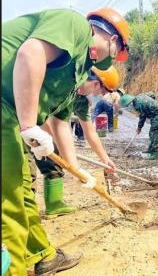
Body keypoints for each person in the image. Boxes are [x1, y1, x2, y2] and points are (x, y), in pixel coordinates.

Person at [2, 7, 129, 276]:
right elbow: (30, 53)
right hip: (5, 108)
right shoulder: (75, 26)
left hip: (10, 115)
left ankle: (42, 255)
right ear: (113, 40)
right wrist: (28, 124)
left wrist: (76, 168)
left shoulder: (75, 72)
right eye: (118, 52)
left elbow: (60, 123)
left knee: (23, 189)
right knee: (8, 200)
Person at [30, 66, 120, 219]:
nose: (97, 96)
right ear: (96, 84)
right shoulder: (63, 79)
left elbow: (84, 130)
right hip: (20, 118)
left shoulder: (79, 98)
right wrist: (45, 138)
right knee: (24, 172)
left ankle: (54, 204)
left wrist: (102, 160)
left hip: (37, 124)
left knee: (53, 159)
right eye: (100, 92)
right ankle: (22, 217)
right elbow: (38, 109)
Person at [120, 93, 158, 160]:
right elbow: (151, 94)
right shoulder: (139, 97)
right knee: (152, 133)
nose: (129, 106)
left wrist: (139, 128)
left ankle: (155, 154)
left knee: (154, 133)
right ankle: (151, 149)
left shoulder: (138, 105)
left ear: (130, 102)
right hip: (156, 115)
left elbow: (142, 116)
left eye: (127, 105)